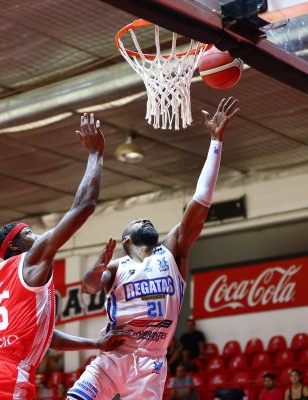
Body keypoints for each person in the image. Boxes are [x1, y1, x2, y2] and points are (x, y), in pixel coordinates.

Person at [69, 97, 240, 400]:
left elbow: (200, 201)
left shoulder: (172, 251)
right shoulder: (116, 266)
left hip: (151, 361)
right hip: (113, 355)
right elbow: (88, 288)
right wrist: (98, 265)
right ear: (125, 243)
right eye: (136, 219)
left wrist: (216, 141)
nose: (144, 219)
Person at [0, 113, 130, 400]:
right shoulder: (30, 261)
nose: (38, 236)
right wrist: (96, 153)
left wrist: (96, 343)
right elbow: (84, 205)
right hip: (9, 375)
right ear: (18, 246)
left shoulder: (0, 282)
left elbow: (47, 338)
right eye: (29, 233)